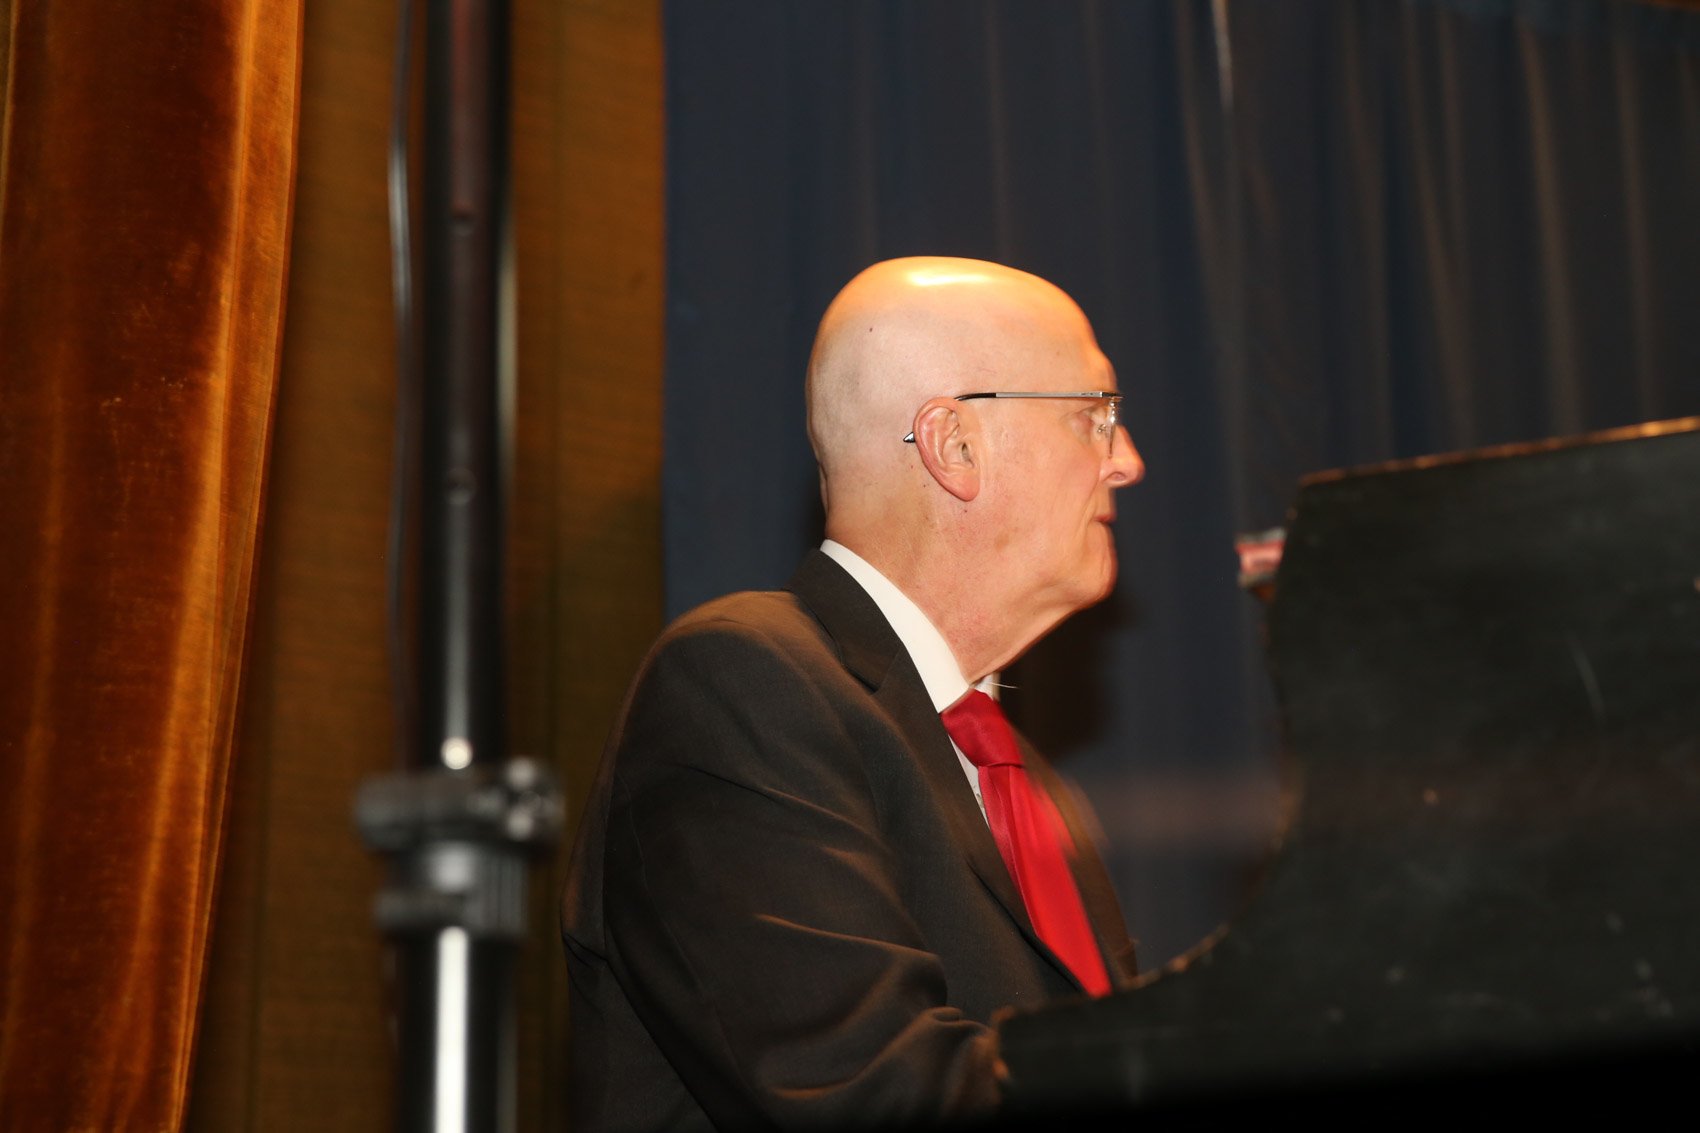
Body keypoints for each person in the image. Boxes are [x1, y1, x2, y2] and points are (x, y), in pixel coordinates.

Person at [561, 256, 1147, 1131]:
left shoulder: (1030, 785)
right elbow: (869, 1091)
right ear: (955, 444)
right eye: (1094, 416)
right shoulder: (741, 684)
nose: (1127, 461)